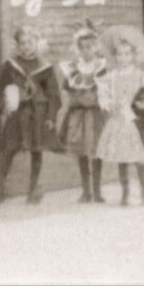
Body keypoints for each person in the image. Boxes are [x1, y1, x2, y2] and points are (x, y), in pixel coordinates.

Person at [94, 24, 144, 206]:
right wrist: (108, 103)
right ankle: (125, 193)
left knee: (140, 159)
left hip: (136, 122)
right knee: (122, 158)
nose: (123, 58)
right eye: (119, 54)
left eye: (127, 54)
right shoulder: (111, 76)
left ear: (134, 56)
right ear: (114, 56)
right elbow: (104, 94)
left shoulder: (140, 75)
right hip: (119, 121)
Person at [0, 25, 59, 203]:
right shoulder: (10, 65)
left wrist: (51, 117)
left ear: (36, 43)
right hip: (17, 113)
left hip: (38, 114)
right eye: (22, 43)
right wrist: (2, 103)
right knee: (10, 149)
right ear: (17, 45)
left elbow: (54, 94)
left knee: (36, 151)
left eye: (30, 42)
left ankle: (33, 191)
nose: (26, 47)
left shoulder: (44, 67)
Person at [57, 24, 109, 203]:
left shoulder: (102, 68)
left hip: (95, 114)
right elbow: (67, 88)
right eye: (83, 47)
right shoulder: (73, 69)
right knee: (81, 151)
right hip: (79, 115)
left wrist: (98, 98)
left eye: (90, 47)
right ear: (77, 49)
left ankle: (97, 191)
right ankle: (86, 191)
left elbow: (107, 88)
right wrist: (75, 99)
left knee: (96, 150)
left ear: (96, 47)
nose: (87, 51)